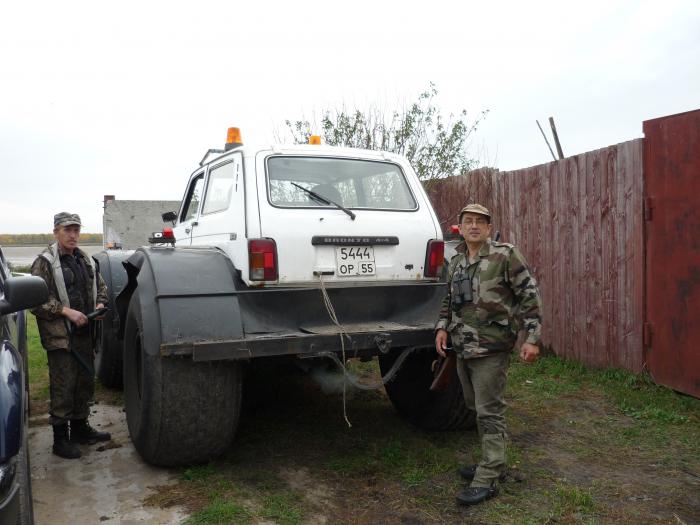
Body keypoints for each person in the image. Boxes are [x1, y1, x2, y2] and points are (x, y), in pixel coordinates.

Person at [435, 203, 542, 506]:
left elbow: (529, 295)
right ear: (460, 227)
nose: (474, 226)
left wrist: (532, 338)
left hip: (491, 347)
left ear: (488, 227)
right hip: (462, 346)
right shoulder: (455, 261)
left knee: (489, 410)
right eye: (468, 221)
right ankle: (493, 459)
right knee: (474, 405)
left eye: (480, 222)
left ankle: (490, 474)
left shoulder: (505, 255)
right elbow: (448, 299)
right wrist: (442, 327)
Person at [31, 212, 111, 459]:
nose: (73, 235)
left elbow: (101, 287)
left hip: (86, 334)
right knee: (64, 387)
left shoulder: (84, 259)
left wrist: (99, 306)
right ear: (56, 231)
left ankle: (80, 429)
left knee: (84, 384)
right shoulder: (44, 262)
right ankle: (60, 440)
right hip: (61, 337)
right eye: (67, 230)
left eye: (76, 230)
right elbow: (36, 301)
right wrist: (66, 312)